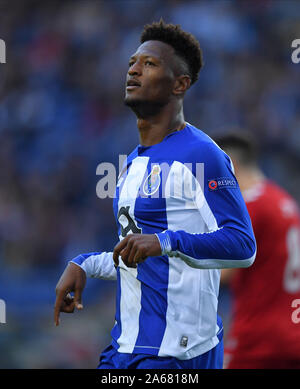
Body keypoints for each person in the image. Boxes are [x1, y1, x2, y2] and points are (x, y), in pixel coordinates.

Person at [54, 21, 256, 370]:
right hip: (125, 348)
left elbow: (243, 245)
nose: (133, 69)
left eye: (149, 64)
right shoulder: (132, 162)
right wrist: (85, 263)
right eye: (133, 62)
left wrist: (165, 242)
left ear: (180, 84)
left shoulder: (201, 154)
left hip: (175, 356)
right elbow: (141, 255)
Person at [214, 132, 300, 369]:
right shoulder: (283, 201)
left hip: (259, 336)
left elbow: (222, 274)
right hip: (293, 332)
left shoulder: (251, 208)